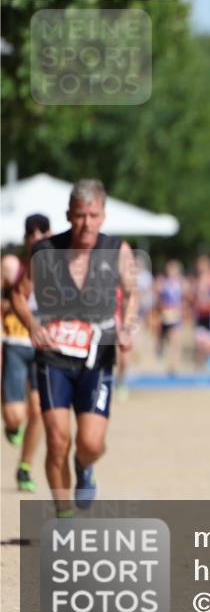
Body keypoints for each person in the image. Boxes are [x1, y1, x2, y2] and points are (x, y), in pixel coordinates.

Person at [12, 180, 137, 517]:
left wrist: (126, 326)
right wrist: (34, 327)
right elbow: (17, 295)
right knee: (57, 440)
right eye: (80, 215)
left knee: (91, 443)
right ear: (69, 215)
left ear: (103, 217)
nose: (86, 223)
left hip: (98, 357)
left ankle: (85, 467)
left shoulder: (117, 250)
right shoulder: (45, 251)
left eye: (93, 215)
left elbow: (133, 292)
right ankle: (64, 514)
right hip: (53, 356)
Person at [2, 214, 52, 491]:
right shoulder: (13, 267)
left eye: (41, 233)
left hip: (43, 347)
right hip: (15, 344)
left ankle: (25, 467)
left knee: (39, 408)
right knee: (14, 416)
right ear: (25, 239)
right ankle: (10, 426)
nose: (36, 238)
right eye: (31, 234)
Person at [155, 259, 185, 376]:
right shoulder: (163, 283)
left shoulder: (180, 283)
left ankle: (173, 366)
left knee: (175, 341)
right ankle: (160, 350)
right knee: (162, 338)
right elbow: (158, 299)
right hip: (165, 314)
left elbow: (184, 298)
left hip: (176, 315)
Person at [191, 254, 210, 370]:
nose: (200, 267)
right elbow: (193, 298)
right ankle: (200, 365)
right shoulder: (196, 280)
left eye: (203, 265)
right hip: (200, 314)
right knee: (199, 341)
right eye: (199, 265)